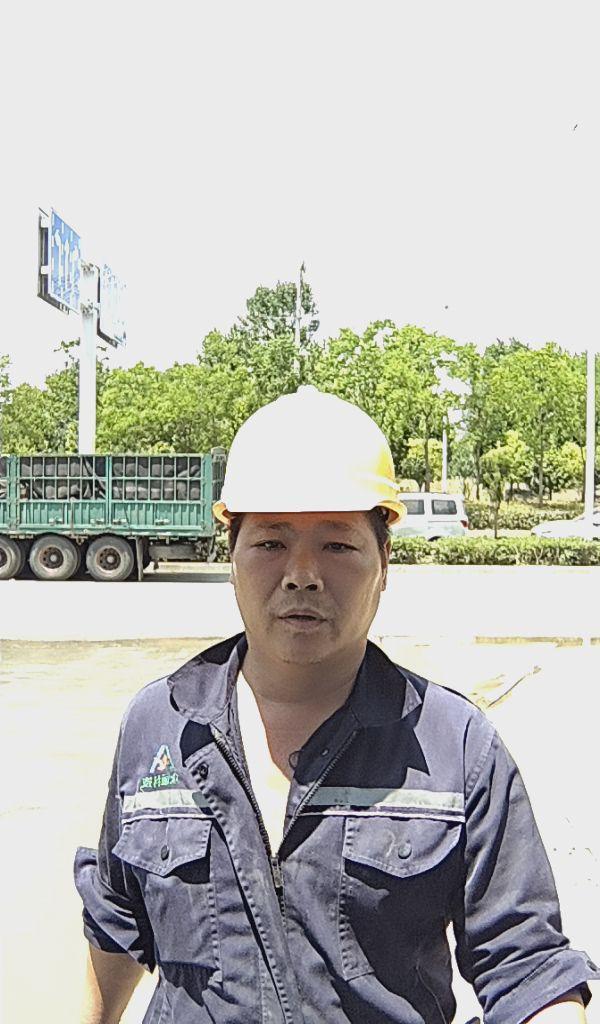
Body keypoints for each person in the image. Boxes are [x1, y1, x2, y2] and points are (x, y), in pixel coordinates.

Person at [75, 386, 599, 1024]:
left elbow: (528, 970)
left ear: (384, 563)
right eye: (270, 544)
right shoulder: (159, 724)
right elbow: (116, 924)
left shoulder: (456, 745)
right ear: (231, 556)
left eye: (338, 546)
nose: (302, 574)